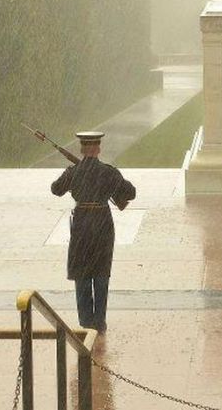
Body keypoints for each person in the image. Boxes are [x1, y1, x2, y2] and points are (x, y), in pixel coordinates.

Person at [51, 131, 136, 333]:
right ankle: (100, 321)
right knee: (100, 272)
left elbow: (56, 189)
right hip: (102, 224)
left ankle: (86, 321)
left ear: (81, 149)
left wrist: (70, 173)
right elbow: (131, 192)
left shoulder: (74, 172)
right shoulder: (109, 172)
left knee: (82, 272)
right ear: (98, 149)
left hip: (81, 225)